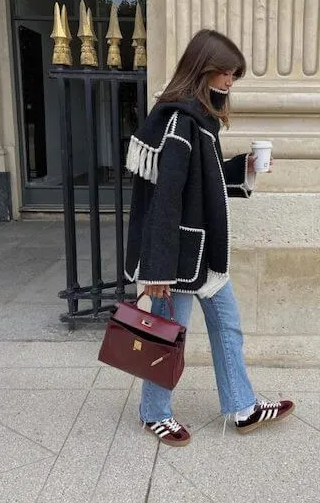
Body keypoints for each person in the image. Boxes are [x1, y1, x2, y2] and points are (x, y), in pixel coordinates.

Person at [125, 29, 294, 447]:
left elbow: (208, 179)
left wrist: (248, 166)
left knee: (228, 328)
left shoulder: (198, 120)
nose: (230, 83)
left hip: (203, 257)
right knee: (168, 338)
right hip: (177, 258)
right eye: (227, 74)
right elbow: (165, 200)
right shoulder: (180, 121)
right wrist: (157, 271)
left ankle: (242, 407)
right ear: (204, 69)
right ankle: (154, 413)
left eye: (234, 76)